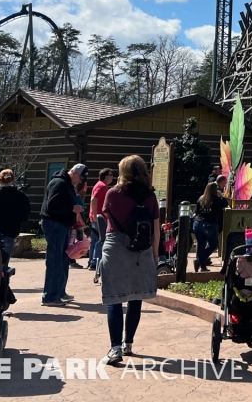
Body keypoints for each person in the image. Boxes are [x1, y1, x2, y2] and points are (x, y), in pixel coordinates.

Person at [100, 155, 160, 365]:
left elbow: (107, 218)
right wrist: (154, 256)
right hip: (141, 250)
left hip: (116, 246)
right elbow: (156, 229)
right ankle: (129, 343)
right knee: (136, 298)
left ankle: (115, 347)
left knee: (114, 298)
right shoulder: (150, 197)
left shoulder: (112, 194)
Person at [40, 163, 87, 306]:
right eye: (81, 177)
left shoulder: (65, 183)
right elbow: (52, 205)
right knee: (55, 261)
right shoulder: (59, 183)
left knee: (61, 260)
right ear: (73, 172)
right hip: (54, 225)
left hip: (61, 225)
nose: (81, 181)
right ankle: (49, 296)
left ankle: (58, 292)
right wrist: (72, 208)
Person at [0, 170, 31, 260]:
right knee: (4, 262)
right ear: (12, 180)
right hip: (10, 232)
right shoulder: (20, 196)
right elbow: (25, 214)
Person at [192, 181, 227, 272]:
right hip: (209, 224)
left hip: (198, 224)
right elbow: (225, 204)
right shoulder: (216, 199)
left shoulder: (201, 198)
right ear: (215, 190)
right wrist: (221, 195)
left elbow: (197, 211)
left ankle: (202, 266)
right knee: (214, 244)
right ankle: (200, 262)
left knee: (201, 245)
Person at [89, 168, 115, 271]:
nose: (112, 176)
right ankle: (95, 263)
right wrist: (96, 215)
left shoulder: (98, 184)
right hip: (99, 218)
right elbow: (94, 199)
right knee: (100, 240)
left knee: (95, 240)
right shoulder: (102, 186)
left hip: (95, 217)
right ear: (106, 176)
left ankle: (91, 261)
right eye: (111, 174)